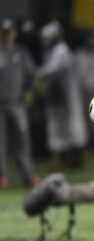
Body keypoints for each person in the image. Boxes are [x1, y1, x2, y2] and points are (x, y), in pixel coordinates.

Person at [35, 20, 88, 170]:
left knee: (72, 129)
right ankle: (66, 161)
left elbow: (53, 69)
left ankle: (75, 160)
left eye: (47, 38)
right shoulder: (50, 51)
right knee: (60, 130)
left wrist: (35, 74)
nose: (44, 41)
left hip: (68, 96)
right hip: (57, 97)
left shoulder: (61, 50)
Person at [0, 19, 40, 188]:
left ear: (14, 34)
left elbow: (32, 74)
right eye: (4, 33)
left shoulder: (21, 53)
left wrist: (28, 92)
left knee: (22, 140)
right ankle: (2, 176)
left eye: (10, 33)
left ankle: (28, 175)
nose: (7, 36)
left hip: (16, 102)